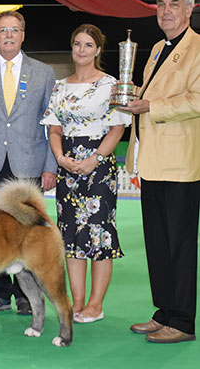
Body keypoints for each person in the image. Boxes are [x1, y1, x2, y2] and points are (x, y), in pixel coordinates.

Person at [121, 0, 200, 343]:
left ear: (189, 9)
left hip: (182, 163)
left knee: (180, 246)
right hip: (152, 161)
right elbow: (151, 94)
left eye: (174, 5)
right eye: (160, 5)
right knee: (157, 242)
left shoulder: (198, 47)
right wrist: (128, 95)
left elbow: (196, 100)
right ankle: (164, 311)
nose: (166, 11)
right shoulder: (155, 48)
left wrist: (150, 106)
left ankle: (182, 321)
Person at [41, 24, 131, 323]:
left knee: (99, 234)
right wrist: (60, 159)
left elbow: (117, 128)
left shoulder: (111, 84)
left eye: (88, 45)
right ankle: (77, 301)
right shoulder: (60, 86)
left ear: (98, 50)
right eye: (77, 43)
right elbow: (54, 129)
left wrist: (96, 158)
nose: (81, 49)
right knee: (70, 236)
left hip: (99, 167)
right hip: (67, 167)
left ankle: (95, 304)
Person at [0, 10, 56, 315]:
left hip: (30, 164)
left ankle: (27, 295)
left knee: (28, 234)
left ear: (23, 34)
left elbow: (52, 123)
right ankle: (0, 294)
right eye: (3, 30)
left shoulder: (44, 73)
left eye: (15, 29)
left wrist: (51, 165)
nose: (9, 35)